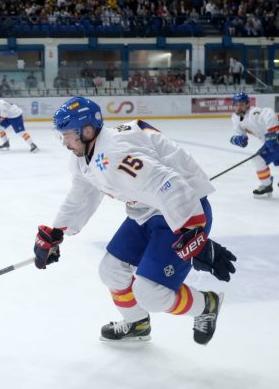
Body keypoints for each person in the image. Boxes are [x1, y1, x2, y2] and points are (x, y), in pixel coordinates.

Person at [33, 96, 236, 344]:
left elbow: (168, 184)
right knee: (111, 272)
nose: (63, 142)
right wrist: (57, 232)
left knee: (151, 294)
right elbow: (82, 193)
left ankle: (208, 304)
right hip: (146, 211)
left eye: (66, 134)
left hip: (181, 210)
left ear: (86, 130)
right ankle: (137, 323)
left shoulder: (115, 154)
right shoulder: (86, 155)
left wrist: (194, 233)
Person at [229, 92, 279, 196]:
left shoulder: (253, 112)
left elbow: (269, 113)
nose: (238, 107)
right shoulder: (235, 117)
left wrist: (272, 133)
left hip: (276, 138)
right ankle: (267, 184)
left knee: (258, 159)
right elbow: (238, 132)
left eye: (241, 104)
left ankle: (267, 185)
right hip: (270, 141)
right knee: (261, 158)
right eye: (236, 104)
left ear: (247, 104)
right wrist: (238, 139)